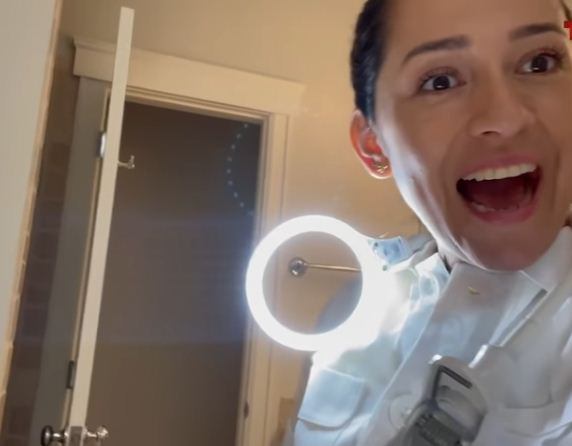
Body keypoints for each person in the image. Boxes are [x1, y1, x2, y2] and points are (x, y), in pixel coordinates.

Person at [284, 0, 572, 444]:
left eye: (540, 63)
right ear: (374, 146)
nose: (506, 117)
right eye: (440, 81)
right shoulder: (350, 320)